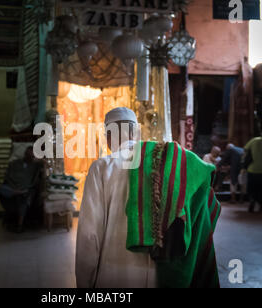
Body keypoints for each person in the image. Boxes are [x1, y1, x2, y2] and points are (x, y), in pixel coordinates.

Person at [76, 108, 221, 288]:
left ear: (108, 136)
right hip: (156, 276)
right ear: (135, 133)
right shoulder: (161, 162)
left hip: (112, 274)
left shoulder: (101, 167)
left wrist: (84, 283)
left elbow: (89, 235)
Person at [0, 147, 42, 233]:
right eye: (27, 154)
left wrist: (39, 159)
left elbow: (46, 165)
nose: (29, 157)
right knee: (0, 188)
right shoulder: (14, 163)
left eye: (31, 156)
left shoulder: (35, 165)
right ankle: (16, 192)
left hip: (25, 188)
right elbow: (7, 176)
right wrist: (13, 186)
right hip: (12, 187)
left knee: (24, 199)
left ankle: (19, 225)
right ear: (24, 154)